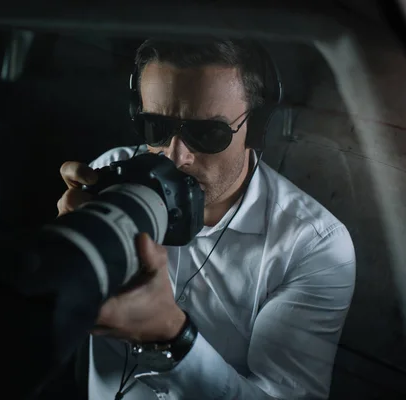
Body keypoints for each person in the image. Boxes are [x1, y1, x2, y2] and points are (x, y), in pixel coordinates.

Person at [56, 38, 356, 400]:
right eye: (156, 127)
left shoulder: (311, 245)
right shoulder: (112, 173)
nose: (175, 156)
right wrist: (66, 253)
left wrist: (171, 335)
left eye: (206, 133)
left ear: (257, 129)